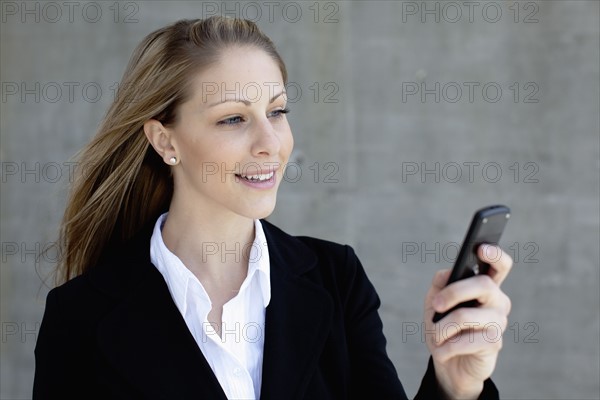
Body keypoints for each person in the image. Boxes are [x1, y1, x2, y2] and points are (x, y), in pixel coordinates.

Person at [32, 16, 512, 399]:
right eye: (234, 118)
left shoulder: (335, 278)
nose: (271, 143)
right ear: (164, 140)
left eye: (277, 111)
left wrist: (456, 385)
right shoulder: (81, 316)